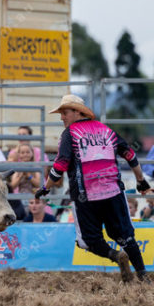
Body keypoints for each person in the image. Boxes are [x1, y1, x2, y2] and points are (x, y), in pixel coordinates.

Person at [36, 94, 151, 283]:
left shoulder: (69, 134)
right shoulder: (106, 130)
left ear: (77, 112)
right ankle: (143, 275)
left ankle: (116, 256)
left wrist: (45, 187)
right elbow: (130, 154)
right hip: (114, 192)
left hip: (85, 196)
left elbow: (60, 165)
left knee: (88, 241)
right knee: (125, 236)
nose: (62, 117)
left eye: (65, 112)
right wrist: (141, 181)